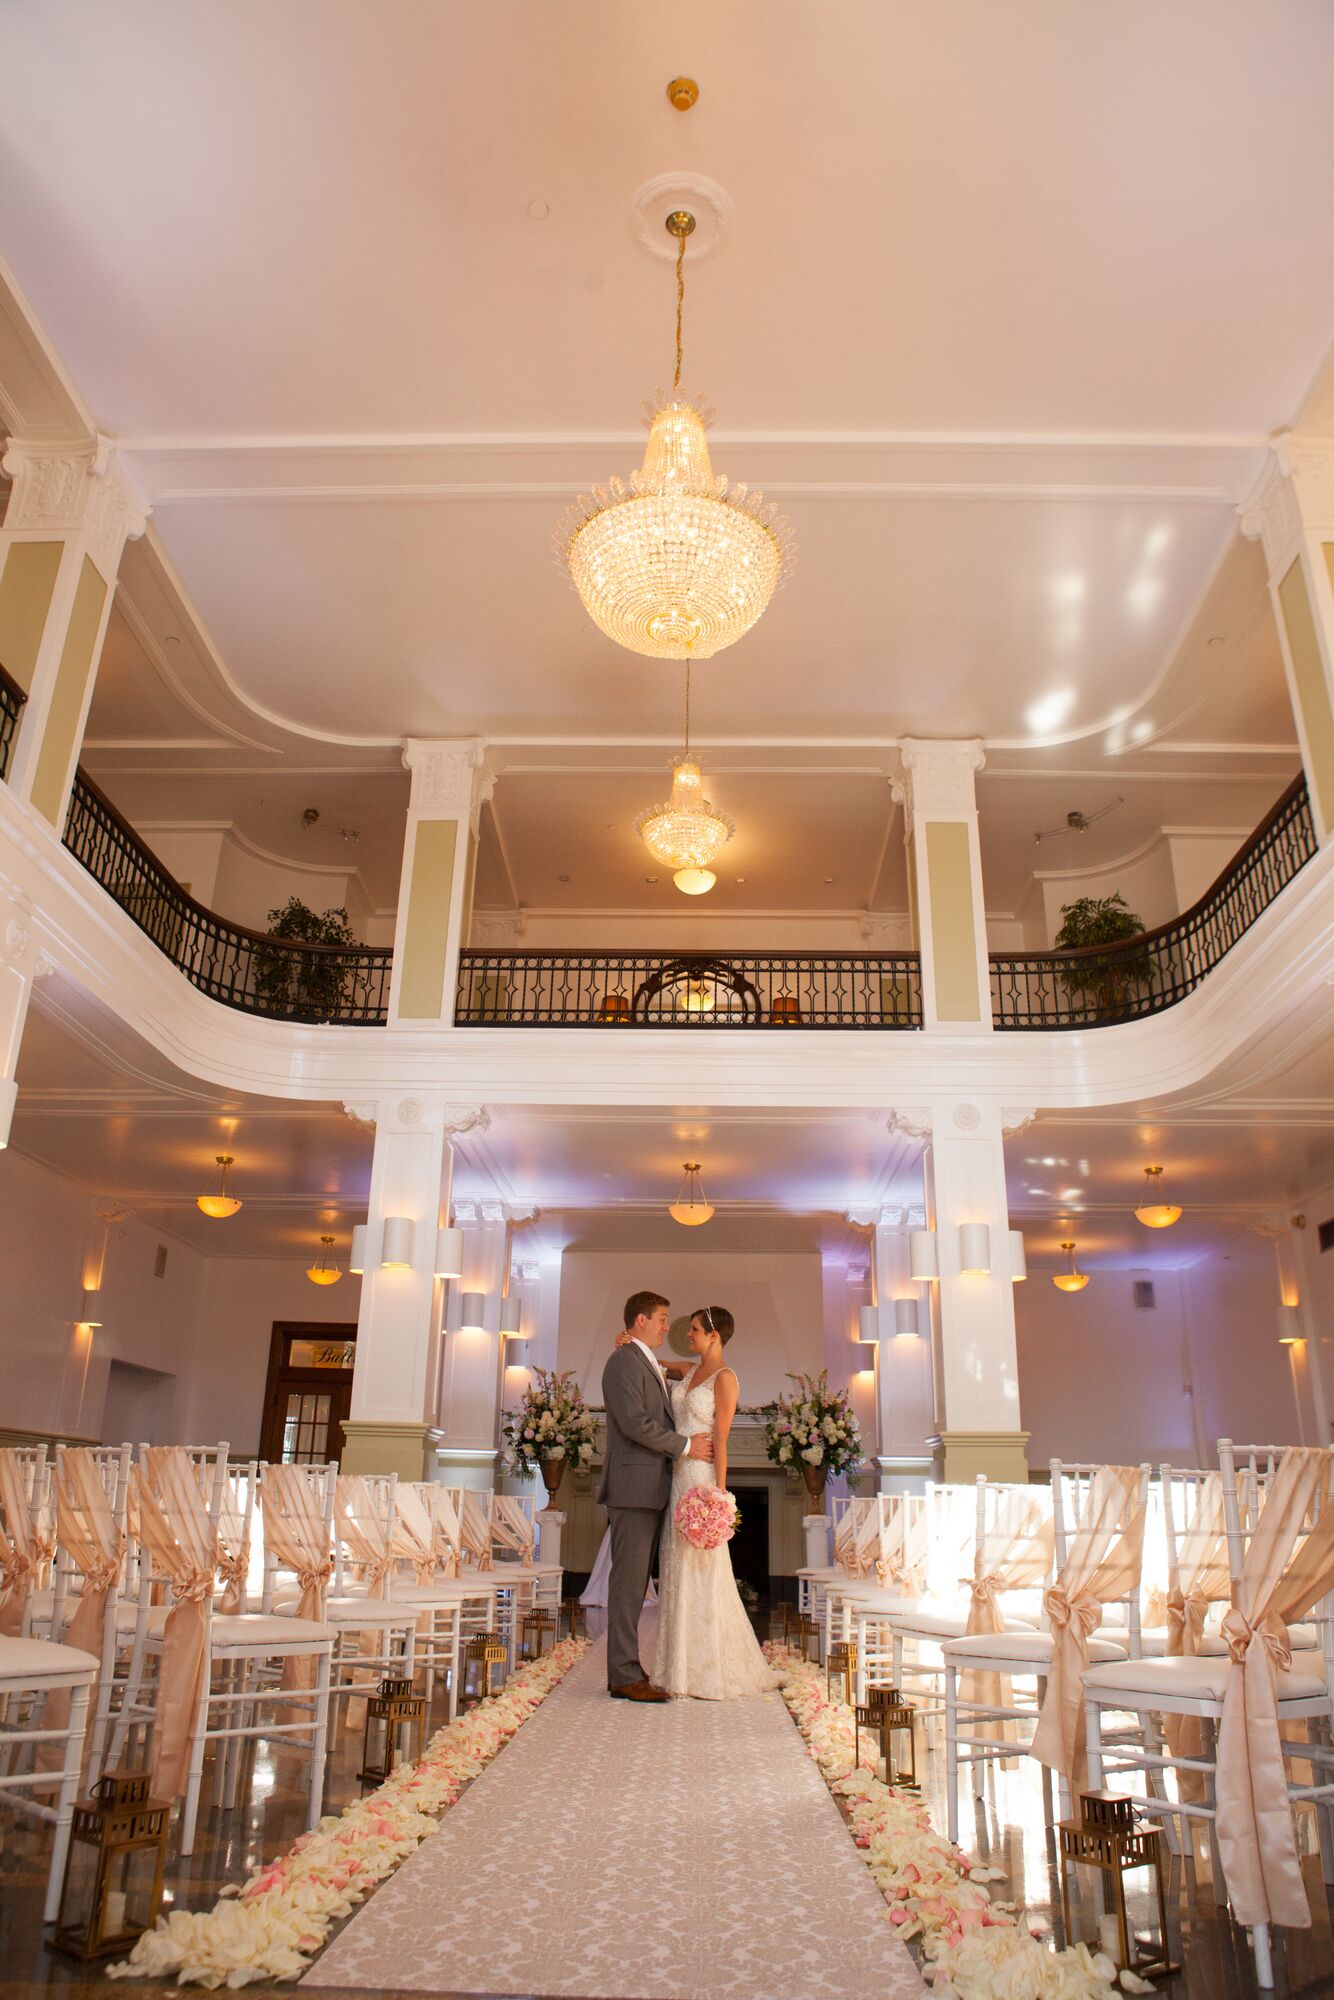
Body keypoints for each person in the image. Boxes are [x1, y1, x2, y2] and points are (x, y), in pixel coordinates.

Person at [652, 1306, 780, 1700]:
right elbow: (660, 1365)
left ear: (714, 1335)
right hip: (677, 1477)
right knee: (675, 1567)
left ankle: (709, 1669)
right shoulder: (690, 1371)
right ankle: (678, 1668)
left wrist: (719, 1495)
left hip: (702, 1483)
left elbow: (721, 1439)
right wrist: (631, 1342)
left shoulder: (725, 1379)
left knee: (704, 1569)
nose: (687, 1335)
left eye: (693, 1330)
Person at [599, 1290, 713, 1702]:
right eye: (663, 1318)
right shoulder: (622, 1363)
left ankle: (627, 1670)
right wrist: (685, 1446)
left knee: (635, 1582)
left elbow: (685, 1374)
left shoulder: (642, 1359)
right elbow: (634, 1423)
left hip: (651, 1486)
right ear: (642, 1320)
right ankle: (624, 1675)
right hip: (633, 1487)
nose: (670, 1326)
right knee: (628, 1584)